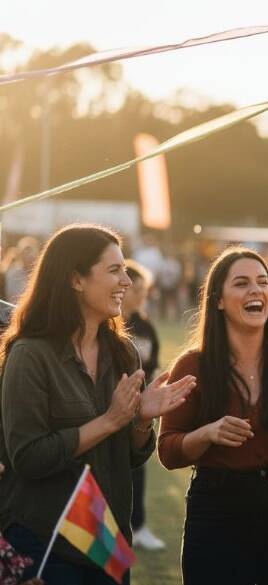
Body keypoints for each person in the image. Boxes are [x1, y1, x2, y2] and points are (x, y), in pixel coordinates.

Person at [0, 224, 195, 584]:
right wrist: (108, 420)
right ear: (76, 280)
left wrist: (139, 421)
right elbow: (26, 456)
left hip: (107, 541)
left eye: (125, 269)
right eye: (114, 270)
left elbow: (131, 457)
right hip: (44, 543)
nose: (127, 281)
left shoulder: (123, 353)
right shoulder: (30, 355)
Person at [157, 247, 268, 585]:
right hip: (217, 506)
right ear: (218, 300)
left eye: (263, 282)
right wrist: (207, 434)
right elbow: (168, 451)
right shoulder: (192, 366)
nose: (256, 291)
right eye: (241, 283)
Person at [120, 260, 165, 552]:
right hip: (111, 410)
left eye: (144, 290)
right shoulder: (106, 325)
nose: (141, 295)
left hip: (139, 412)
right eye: (136, 289)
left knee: (138, 468)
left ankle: (138, 526)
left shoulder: (146, 326)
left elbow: (153, 365)